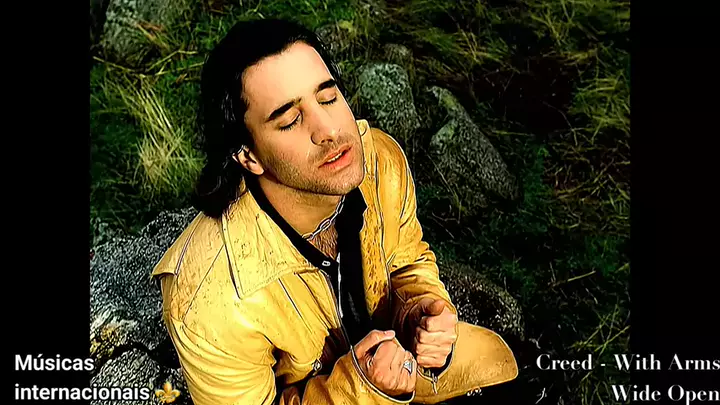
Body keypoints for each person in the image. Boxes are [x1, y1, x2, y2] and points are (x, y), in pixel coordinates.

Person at [151, 18, 518, 405]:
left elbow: (408, 258)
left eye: (328, 98)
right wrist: (363, 389)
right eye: (290, 120)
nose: (329, 129)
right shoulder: (206, 302)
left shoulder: (379, 160)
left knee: (501, 368)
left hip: (405, 366)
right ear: (248, 156)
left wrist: (417, 309)